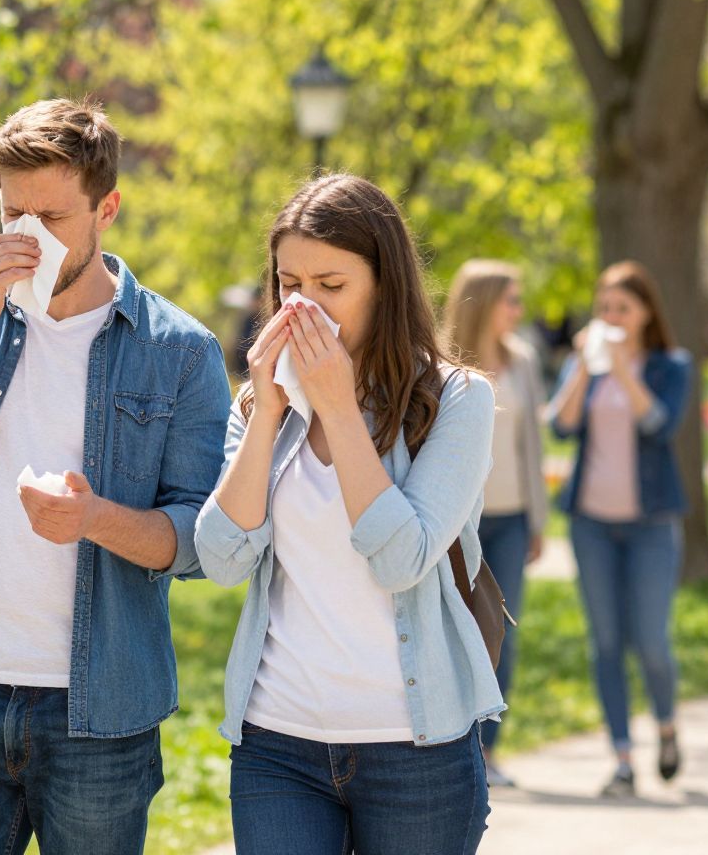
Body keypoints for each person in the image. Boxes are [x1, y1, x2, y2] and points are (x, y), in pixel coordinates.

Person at [0, 97, 230, 855]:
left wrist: (95, 519)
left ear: (106, 208)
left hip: (100, 712)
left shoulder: (180, 351)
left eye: (51, 218)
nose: (27, 239)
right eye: (11, 214)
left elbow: (201, 543)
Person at [195, 173, 500, 855]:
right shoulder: (261, 406)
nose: (304, 307)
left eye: (331, 287)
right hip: (279, 742)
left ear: (384, 285)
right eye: (289, 286)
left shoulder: (456, 400)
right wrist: (272, 408)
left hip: (415, 751)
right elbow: (221, 557)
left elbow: (402, 561)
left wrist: (338, 404)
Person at [546, 260, 693, 799]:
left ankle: (667, 724)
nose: (611, 317)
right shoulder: (587, 364)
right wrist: (586, 367)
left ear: (645, 312)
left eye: (622, 308)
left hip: (651, 525)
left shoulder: (671, 365)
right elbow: (560, 425)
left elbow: (660, 425)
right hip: (591, 525)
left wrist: (624, 370)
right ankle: (624, 759)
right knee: (606, 642)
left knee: (651, 642)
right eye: (604, 307)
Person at [443, 259, 549, 786]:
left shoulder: (524, 361)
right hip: (454, 521)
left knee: (498, 629)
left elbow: (532, 445)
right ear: (484, 302)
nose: (520, 310)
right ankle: (454, 743)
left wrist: (539, 518)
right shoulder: (441, 361)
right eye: (512, 299)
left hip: (510, 519)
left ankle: (487, 750)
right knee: (449, 630)